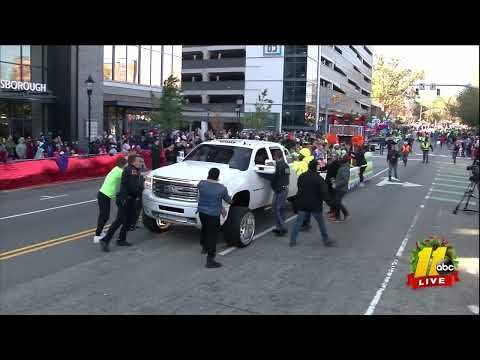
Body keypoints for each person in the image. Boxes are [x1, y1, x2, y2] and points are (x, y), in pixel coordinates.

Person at [99, 155, 144, 252]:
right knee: (120, 220)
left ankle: (121, 239)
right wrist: (142, 192)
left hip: (129, 199)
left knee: (127, 220)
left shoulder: (134, 170)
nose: (140, 163)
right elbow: (133, 187)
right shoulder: (131, 170)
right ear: (133, 162)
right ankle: (105, 240)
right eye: (139, 161)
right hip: (125, 199)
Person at [290, 160, 335, 247]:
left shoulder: (302, 176)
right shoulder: (319, 179)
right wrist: (331, 204)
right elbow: (324, 193)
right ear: (315, 167)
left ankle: (293, 240)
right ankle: (326, 240)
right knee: (321, 223)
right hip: (315, 205)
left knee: (298, 223)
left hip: (302, 204)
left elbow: (299, 188)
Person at [197, 168, 232, 268]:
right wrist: (231, 200)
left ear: (208, 174)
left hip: (202, 212)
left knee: (205, 229)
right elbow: (228, 201)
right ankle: (210, 260)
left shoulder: (201, 184)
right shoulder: (221, 188)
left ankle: (204, 247)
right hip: (213, 214)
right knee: (213, 236)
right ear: (218, 176)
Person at [94, 156, 128, 243]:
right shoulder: (120, 172)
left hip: (103, 194)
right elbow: (129, 176)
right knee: (104, 216)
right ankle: (97, 236)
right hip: (104, 195)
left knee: (103, 215)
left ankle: (99, 232)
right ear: (124, 164)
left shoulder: (115, 169)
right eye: (127, 163)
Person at [269, 150, 290, 236]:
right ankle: (279, 227)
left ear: (275, 157)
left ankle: (282, 228)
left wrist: (271, 182)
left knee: (277, 209)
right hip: (283, 189)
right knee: (276, 207)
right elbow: (287, 175)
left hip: (279, 189)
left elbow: (275, 177)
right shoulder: (285, 165)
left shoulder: (279, 166)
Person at [331, 152, 350, 222]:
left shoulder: (344, 168)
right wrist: (335, 180)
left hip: (342, 188)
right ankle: (337, 217)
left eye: (341, 158)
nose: (340, 159)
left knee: (338, 202)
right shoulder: (343, 166)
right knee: (337, 202)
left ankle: (345, 214)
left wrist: (336, 184)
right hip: (339, 187)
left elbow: (345, 179)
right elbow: (341, 177)